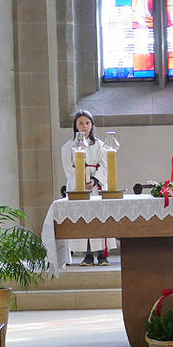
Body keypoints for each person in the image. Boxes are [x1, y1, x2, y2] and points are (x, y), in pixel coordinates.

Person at [61, 110, 113, 266]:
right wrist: (81, 181)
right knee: (83, 218)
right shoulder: (68, 147)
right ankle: (88, 254)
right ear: (76, 126)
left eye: (87, 123)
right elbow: (68, 168)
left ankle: (102, 255)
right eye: (81, 123)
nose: (84, 126)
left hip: (97, 187)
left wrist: (94, 181)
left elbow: (105, 166)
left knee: (100, 217)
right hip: (78, 188)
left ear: (92, 125)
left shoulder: (101, 145)